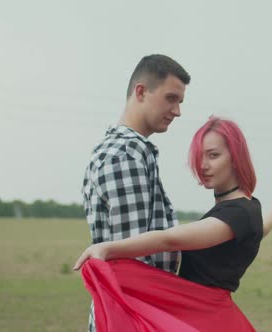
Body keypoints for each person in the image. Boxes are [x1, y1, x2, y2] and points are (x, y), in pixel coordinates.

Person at [74, 116, 272, 331]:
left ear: (236, 157)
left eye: (213, 155)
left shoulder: (238, 214)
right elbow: (262, 229)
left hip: (203, 314)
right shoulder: (250, 208)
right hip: (200, 312)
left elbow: (170, 239)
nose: (203, 165)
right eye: (200, 157)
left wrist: (106, 248)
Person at [81, 54, 191, 332]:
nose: (177, 111)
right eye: (170, 98)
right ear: (140, 91)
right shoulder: (125, 154)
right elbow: (133, 262)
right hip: (131, 317)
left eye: (180, 101)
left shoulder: (128, 151)